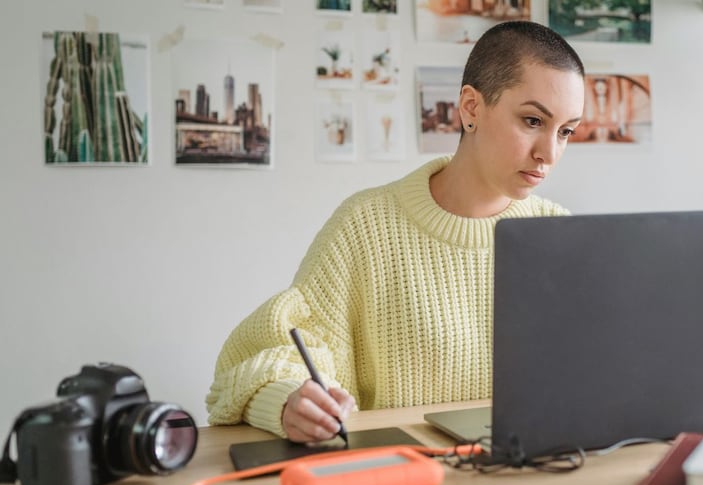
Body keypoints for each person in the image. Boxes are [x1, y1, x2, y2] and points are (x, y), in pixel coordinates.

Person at [206, 21, 586, 443]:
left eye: (566, 131)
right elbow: (262, 356)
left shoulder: (557, 233)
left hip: (531, 477)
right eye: (533, 120)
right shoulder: (366, 226)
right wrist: (287, 400)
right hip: (403, 481)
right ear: (471, 108)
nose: (549, 153)